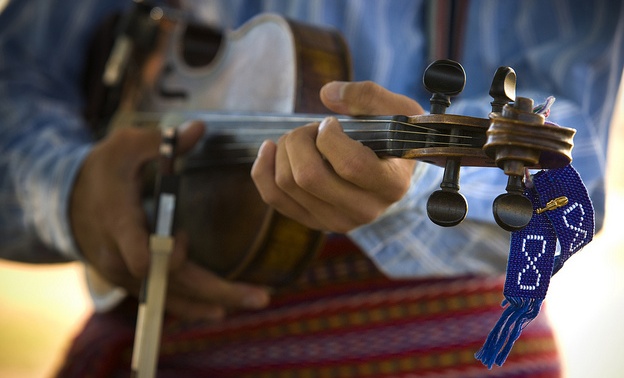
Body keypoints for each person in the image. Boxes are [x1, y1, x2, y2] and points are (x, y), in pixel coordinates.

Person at [0, 0, 622, 376]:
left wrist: (414, 187)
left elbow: (575, 168)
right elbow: (17, 85)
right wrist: (69, 188)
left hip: (439, 342)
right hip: (168, 326)